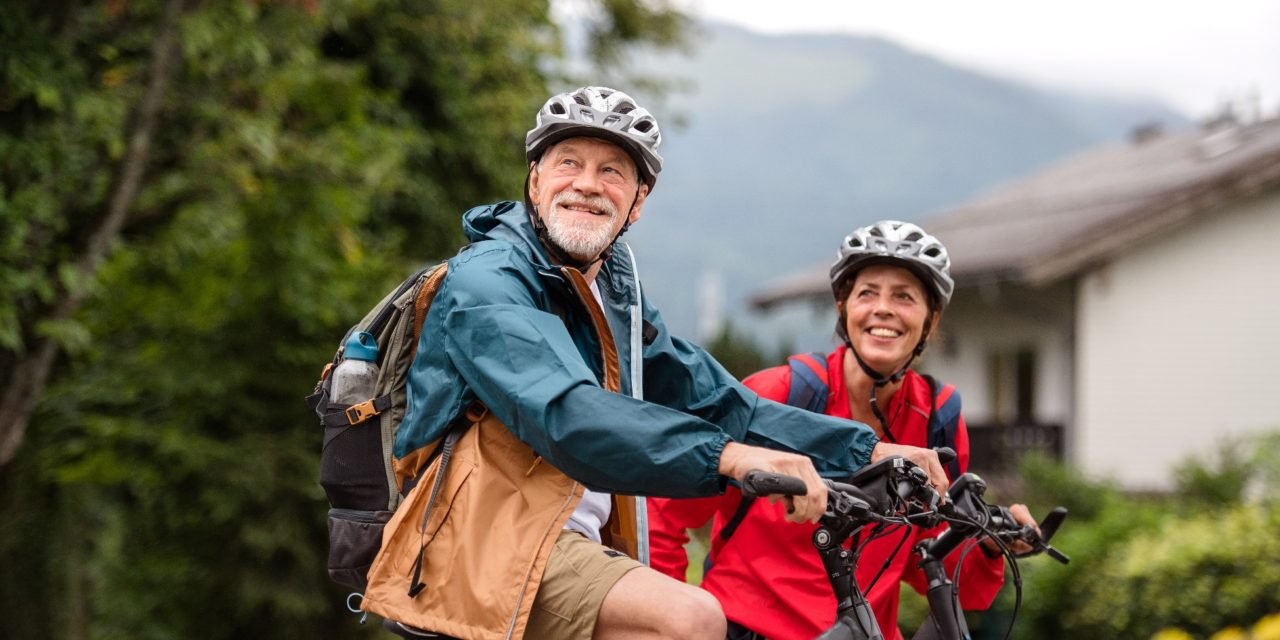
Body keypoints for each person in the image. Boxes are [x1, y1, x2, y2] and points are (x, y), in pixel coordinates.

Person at [357, 87, 950, 640]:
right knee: (688, 619)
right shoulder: (488, 281)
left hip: (563, 539)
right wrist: (729, 457)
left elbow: (718, 401)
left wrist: (866, 450)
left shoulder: (613, 295)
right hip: (471, 541)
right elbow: (568, 414)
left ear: (638, 202)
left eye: (612, 171)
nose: (588, 184)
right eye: (569, 163)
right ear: (534, 183)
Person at [647, 220, 1039, 640]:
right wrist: (675, 619)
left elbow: (933, 566)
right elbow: (661, 517)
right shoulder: (778, 394)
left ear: (931, 320)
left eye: (904, 297)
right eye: (867, 292)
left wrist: (988, 544)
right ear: (843, 308)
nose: (883, 308)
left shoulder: (937, 421)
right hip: (747, 628)